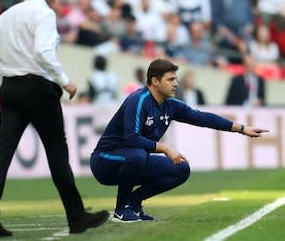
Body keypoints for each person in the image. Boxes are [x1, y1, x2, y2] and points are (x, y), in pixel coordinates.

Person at [0, 0, 109, 238]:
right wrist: (65, 81)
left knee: (1, 154)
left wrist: (5, 86)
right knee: (56, 153)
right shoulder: (44, 14)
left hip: (12, 88)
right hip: (39, 88)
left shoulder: (5, 16)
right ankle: (76, 216)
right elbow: (42, 53)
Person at [90, 59, 268, 222]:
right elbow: (131, 138)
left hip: (135, 160)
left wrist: (242, 129)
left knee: (181, 168)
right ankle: (121, 209)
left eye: (176, 78)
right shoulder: (138, 100)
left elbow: (201, 117)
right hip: (105, 161)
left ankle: (135, 202)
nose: (176, 83)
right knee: (137, 155)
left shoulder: (170, 104)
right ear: (155, 81)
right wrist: (165, 148)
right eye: (170, 79)